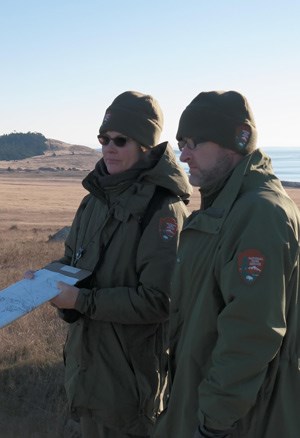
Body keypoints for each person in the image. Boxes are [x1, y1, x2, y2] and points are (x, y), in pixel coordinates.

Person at [41, 91, 191, 438]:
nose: (108, 147)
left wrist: (80, 302)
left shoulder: (163, 211)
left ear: (146, 146)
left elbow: (160, 300)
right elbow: (73, 261)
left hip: (130, 388)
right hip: (88, 374)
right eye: (103, 139)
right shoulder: (93, 201)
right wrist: (45, 280)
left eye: (120, 140)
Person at [153, 90, 300, 438]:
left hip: (244, 419)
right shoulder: (225, 208)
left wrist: (213, 421)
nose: (183, 154)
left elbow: (252, 332)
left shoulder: (260, 214)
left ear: (234, 142)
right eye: (180, 143)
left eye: (193, 143)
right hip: (203, 403)